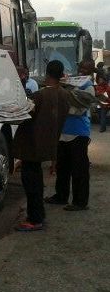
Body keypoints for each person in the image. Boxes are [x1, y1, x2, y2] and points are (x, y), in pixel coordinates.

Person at [12, 60, 70, 231]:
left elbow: (23, 115)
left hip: (32, 147)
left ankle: (35, 219)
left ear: (47, 73)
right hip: (47, 145)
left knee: (32, 185)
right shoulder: (65, 95)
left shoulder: (40, 96)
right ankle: (39, 216)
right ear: (61, 74)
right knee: (36, 182)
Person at [45, 59, 95, 211]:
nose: (83, 70)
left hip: (79, 132)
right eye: (81, 67)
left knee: (79, 169)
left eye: (87, 69)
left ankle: (80, 202)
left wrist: (63, 107)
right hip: (63, 132)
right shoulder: (69, 82)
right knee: (63, 167)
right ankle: (61, 196)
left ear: (91, 71)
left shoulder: (88, 87)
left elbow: (81, 109)